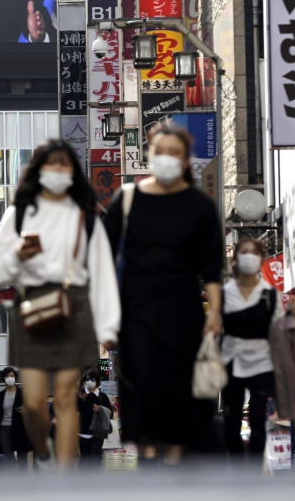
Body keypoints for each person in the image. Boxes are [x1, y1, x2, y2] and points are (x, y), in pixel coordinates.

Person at [0, 139, 121, 470]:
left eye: (64, 165)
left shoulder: (87, 217)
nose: (58, 171)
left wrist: (108, 324)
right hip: (34, 308)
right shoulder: (18, 215)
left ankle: (64, 479)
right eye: (51, 164)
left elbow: (103, 270)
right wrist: (19, 253)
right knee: (33, 404)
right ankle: (44, 453)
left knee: (64, 398)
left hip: (75, 309)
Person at [103, 124, 224, 467]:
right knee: (142, 380)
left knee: (179, 384)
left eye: (175, 153)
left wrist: (214, 313)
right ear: (149, 156)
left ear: (186, 160)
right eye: (161, 152)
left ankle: (173, 458)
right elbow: (103, 258)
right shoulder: (126, 200)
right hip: (135, 308)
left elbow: (211, 268)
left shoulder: (200, 205)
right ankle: (148, 456)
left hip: (184, 308)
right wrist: (107, 318)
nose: (167, 159)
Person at [218, 237, 284, 468]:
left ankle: (255, 471)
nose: (248, 257)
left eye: (254, 253)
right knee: (231, 417)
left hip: (262, 361)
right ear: (235, 258)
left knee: (257, 416)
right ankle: (236, 468)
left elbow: (278, 331)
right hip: (231, 360)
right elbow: (214, 328)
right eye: (244, 252)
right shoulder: (223, 293)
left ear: (261, 259)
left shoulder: (271, 295)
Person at [0, 367, 31, 468]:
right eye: (7, 376)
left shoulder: (23, 393)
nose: (10, 378)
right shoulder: (0, 395)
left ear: (15, 377)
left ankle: (22, 479)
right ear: (3, 379)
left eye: (12, 376)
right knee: (8, 455)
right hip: (4, 428)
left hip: (19, 426)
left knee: (22, 454)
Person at [76, 371, 112, 469]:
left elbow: (110, 413)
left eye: (92, 379)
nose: (89, 382)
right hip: (83, 432)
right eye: (87, 379)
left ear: (96, 381)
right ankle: (83, 481)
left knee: (95, 459)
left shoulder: (102, 396)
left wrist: (100, 409)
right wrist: (81, 399)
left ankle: (95, 481)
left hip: (98, 432)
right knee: (84, 459)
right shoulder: (80, 396)